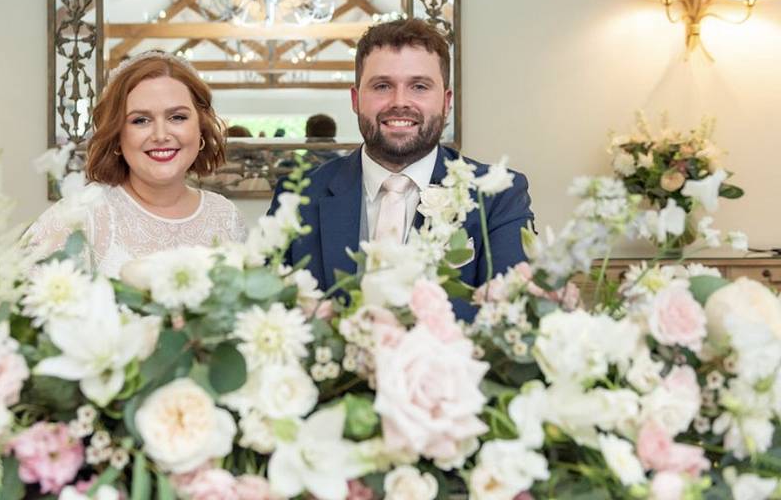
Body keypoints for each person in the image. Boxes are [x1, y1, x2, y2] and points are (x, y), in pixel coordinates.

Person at [268, 19, 533, 320]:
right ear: (355, 99)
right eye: (382, 86)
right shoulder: (298, 194)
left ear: (446, 102)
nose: (400, 102)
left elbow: (509, 314)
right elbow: (272, 309)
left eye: (419, 86)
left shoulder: (500, 195)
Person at [28, 51, 247, 278]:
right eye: (140, 120)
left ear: (200, 127)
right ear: (118, 135)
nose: (161, 135)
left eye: (177, 117)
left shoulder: (227, 217)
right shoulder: (81, 216)